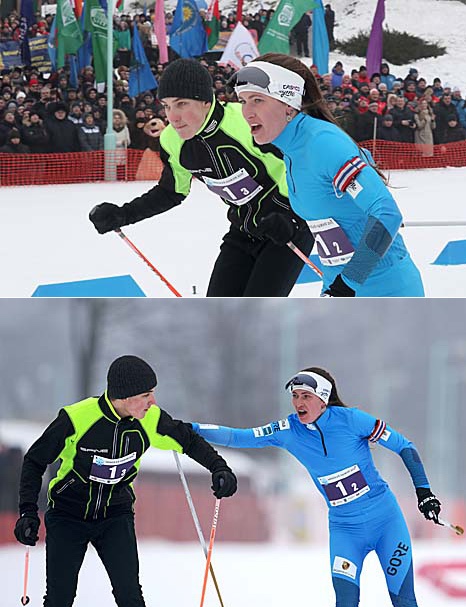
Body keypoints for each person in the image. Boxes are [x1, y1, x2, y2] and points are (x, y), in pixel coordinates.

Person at [192, 367, 443, 607]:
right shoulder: (289, 430)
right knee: (345, 603)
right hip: (346, 530)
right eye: (295, 396)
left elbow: (405, 446)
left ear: (323, 399)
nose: (299, 402)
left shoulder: (352, 420)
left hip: (386, 522)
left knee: (403, 601)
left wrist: (424, 492)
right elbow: (238, 436)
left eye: (306, 396)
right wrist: (189, 430)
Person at [14, 355, 237, 607]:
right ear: (125, 396)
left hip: (115, 515)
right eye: (146, 394)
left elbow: (189, 440)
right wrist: (28, 512)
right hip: (68, 514)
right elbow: (34, 460)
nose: (152, 401)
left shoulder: (150, 419)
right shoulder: (76, 418)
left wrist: (219, 468)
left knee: (130, 597)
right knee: (59, 599)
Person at [89, 58, 314, 297]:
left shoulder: (245, 120)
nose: (173, 116)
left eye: (181, 103)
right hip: (242, 231)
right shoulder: (172, 141)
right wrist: (123, 214)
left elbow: (301, 165)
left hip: (287, 231)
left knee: (256, 318)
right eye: (166, 106)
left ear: (206, 102)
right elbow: (171, 191)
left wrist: (291, 217)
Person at [231, 53, 425, 297]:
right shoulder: (292, 149)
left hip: (384, 289)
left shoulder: (322, 143)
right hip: (337, 285)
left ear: (289, 103)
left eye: (257, 100)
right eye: (243, 101)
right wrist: (291, 225)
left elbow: (387, 215)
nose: (247, 112)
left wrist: (350, 282)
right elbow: (333, 210)